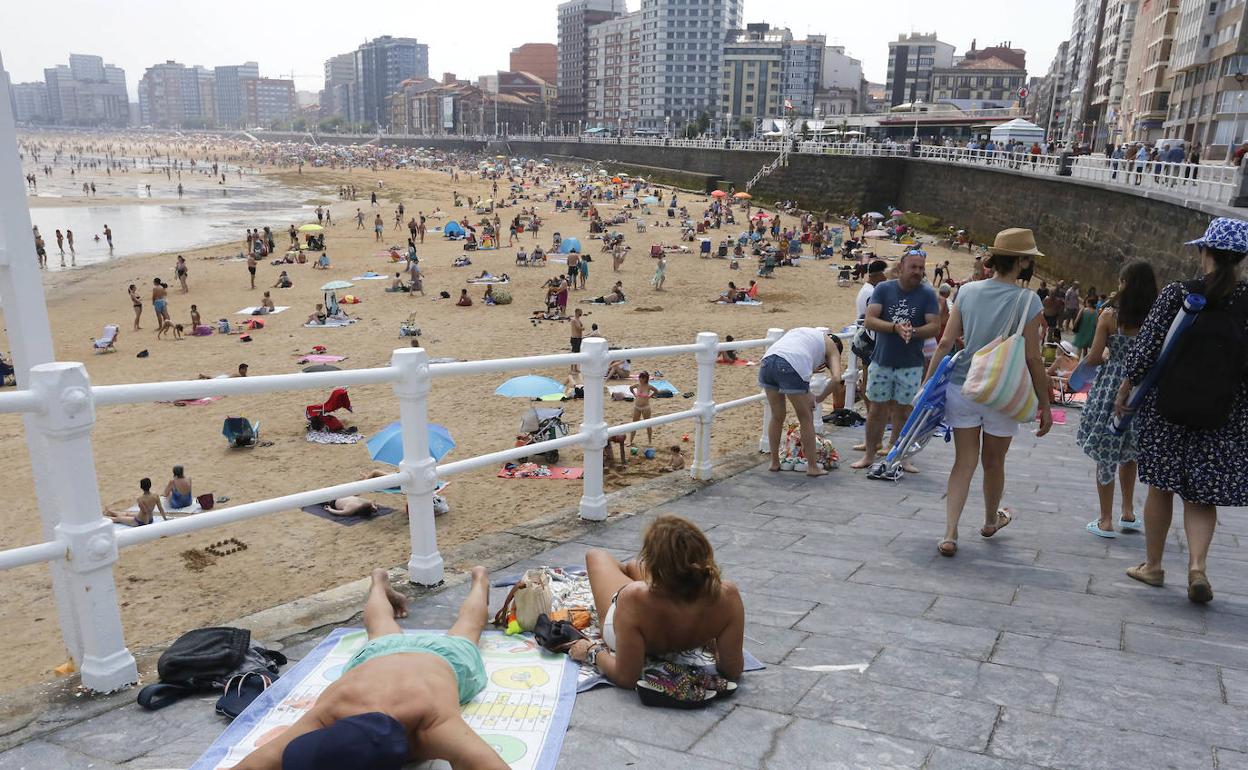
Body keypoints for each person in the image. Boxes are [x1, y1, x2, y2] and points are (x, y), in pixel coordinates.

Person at [233, 567, 506, 770]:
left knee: (392, 628)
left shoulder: (430, 726)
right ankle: (478, 579)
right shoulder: (330, 714)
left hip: (431, 660)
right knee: (467, 627)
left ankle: (383, 582)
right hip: (393, 661)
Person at [1115, 217, 1248, 603]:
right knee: (1201, 494)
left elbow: (1146, 351)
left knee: (1162, 486)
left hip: (1167, 407)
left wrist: (1125, 392)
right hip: (1224, 412)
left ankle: (1154, 566)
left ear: (1204, 251)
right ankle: (1197, 567)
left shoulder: (1178, 294)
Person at [928, 228, 1052, 557]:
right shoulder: (1029, 300)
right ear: (1023, 261)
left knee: (963, 462)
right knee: (994, 461)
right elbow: (1032, 357)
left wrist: (928, 385)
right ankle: (988, 520)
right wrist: (1045, 403)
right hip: (1003, 391)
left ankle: (950, 532)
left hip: (963, 386)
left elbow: (944, 342)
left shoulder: (967, 292)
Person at [575, 516, 744, 689]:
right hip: (678, 619)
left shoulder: (632, 597)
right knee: (635, 566)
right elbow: (732, 669)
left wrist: (591, 652)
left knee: (596, 556)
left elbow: (626, 677)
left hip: (642, 617)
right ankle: (635, 569)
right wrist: (714, 641)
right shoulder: (728, 595)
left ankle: (636, 570)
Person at [1079, 261, 1157, 538]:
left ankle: (1105, 519)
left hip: (1111, 385)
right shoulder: (1155, 318)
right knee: (1130, 452)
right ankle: (1128, 511)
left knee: (1106, 451)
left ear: (1124, 283)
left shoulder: (1110, 316)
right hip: (1143, 389)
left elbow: (1094, 355)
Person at [852, 251, 940, 472]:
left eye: (921, 268)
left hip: (911, 364)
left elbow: (935, 326)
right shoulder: (884, 289)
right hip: (882, 360)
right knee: (876, 411)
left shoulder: (927, 294)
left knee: (904, 411)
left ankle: (900, 455)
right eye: (914, 267)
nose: (918, 272)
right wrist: (894, 328)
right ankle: (870, 455)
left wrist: (914, 331)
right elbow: (870, 320)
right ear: (901, 268)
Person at [758, 327, 842, 477]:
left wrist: (807, 392)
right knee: (806, 418)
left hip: (767, 362)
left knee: (777, 415)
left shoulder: (806, 333)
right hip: (790, 365)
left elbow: (797, 360)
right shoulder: (832, 348)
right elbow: (836, 378)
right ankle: (812, 467)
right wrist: (819, 398)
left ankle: (775, 462)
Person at [629, 371, 660, 446]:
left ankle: (650, 442)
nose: (641, 379)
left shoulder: (649, 386)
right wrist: (634, 394)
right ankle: (630, 441)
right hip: (637, 407)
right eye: (640, 377)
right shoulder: (637, 385)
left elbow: (656, 391)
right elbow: (630, 388)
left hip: (646, 408)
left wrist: (650, 396)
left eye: (643, 378)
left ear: (646, 379)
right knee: (634, 425)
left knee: (648, 425)